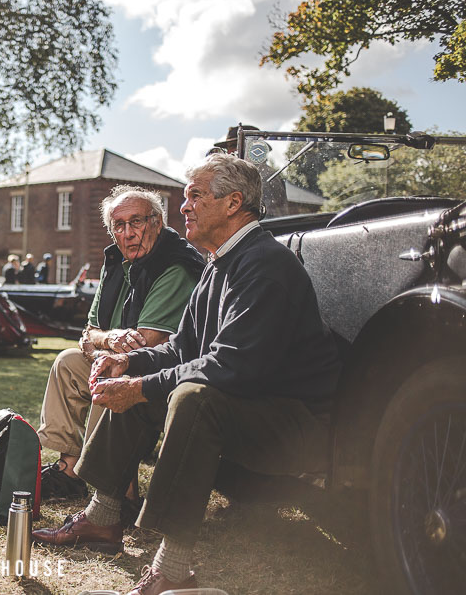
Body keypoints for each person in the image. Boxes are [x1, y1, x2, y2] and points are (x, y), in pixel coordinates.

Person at [32, 154, 340, 595]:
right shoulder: (219, 263)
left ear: (233, 203)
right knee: (143, 386)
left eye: (195, 195)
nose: (184, 207)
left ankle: (173, 568)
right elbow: (181, 347)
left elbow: (232, 365)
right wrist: (131, 364)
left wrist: (140, 385)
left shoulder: (264, 264)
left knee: (191, 397)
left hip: (296, 423)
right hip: (251, 405)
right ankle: (102, 520)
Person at [36, 185, 205, 519]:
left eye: (136, 222)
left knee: (113, 371)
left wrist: (103, 345)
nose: (127, 234)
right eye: (119, 225)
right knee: (68, 362)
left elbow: (147, 344)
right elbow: (88, 334)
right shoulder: (116, 262)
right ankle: (69, 470)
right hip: (117, 358)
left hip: (167, 376)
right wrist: (108, 337)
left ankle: (118, 494)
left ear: (157, 222)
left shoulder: (174, 266)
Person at [214, 124, 289, 217]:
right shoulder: (242, 177)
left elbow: (268, 218)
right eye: (228, 148)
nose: (229, 152)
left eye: (235, 145)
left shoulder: (262, 175)